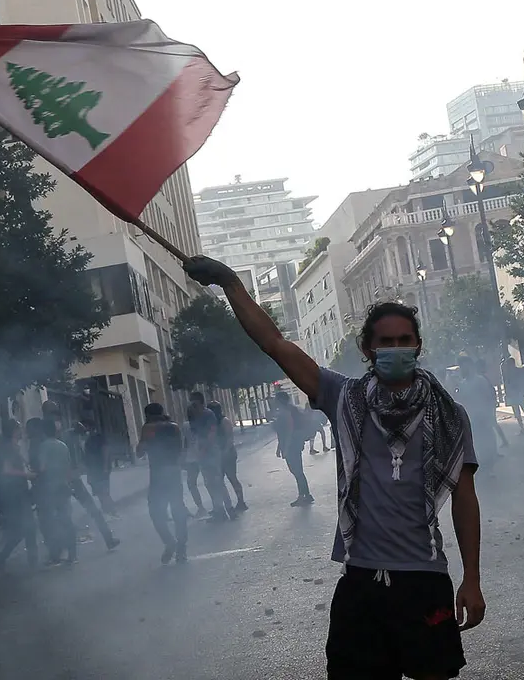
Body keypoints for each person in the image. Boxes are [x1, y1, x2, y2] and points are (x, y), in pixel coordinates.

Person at [185, 256, 486, 680]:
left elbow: (464, 498)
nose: (396, 349)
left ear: (418, 345)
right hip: (361, 581)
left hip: (424, 579)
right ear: (368, 350)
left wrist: (471, 579)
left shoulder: (449, 415)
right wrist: (230, 283)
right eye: (386, 342)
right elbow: (275, 344)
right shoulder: (345, 398)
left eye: (405, 340)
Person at [41, 403, 120, 552]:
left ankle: (107, 538)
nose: (56, 418)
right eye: (53, 414)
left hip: (67, 478)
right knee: (62, 514)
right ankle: (62, 549)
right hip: (60, 480)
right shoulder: (50, 434)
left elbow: (80, 438)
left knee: (85, 510)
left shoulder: (65, 433)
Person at [138, 403, 188, 564]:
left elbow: (140, 452)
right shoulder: (174, 427)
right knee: (178, 510)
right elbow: (181, 449)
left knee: (156, 511)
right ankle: (182, 549)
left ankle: (169, 541)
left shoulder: (148, 428)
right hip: (174, 472)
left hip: (158, 474)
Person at [0, 420, 38, 571]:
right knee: (25, 528)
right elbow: (6, 470)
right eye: (18, 427)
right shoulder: (7, 448)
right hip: (15, 493)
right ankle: (4, 558)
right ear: (13, 431)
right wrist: (27, 475)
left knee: (25, 528)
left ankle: (29, 561)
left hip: (18, 492)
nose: (21, 430)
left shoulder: (12, 447)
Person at [188, 392, 236, 522]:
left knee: (217, 482)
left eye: (194, 402)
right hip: (202, 453)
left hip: (211, 453)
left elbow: (212, 433)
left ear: (200, 402)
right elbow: (194, 434)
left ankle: (229, 509)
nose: (192, 405)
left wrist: (203, 449)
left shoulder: (208, 414)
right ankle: (219, 510)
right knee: (209, 483)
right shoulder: (193, 415)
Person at [38, 419, 77, 566]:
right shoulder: (63, 446)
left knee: (51, 522)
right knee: (66, 520)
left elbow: (42, 468)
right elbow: (68, 468)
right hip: (63, 486)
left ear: (43, 431)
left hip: (50, 488)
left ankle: (55, 555)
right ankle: (73, 555)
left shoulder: (43, 446)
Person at [272, 392, 314, 507]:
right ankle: (306, 495)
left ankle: (303, 496)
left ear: (280, 400)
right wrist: (279, 447)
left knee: (297, 471)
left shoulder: (285, 412)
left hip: (292, 446)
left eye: (276, 399)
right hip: (293, 445)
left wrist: (285, 448)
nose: (274, 401)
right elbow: (282, 433)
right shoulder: (287, 411)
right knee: (297, 471)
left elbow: (288, 431)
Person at [207, 400, 247, 512]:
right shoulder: (212, 422)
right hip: (218, 454)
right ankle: (220, 506)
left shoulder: (224, 421)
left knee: (232, 478)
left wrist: (224, 452)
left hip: (227, 454)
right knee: (218, 480)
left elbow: (229, 438)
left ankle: (241, 502)